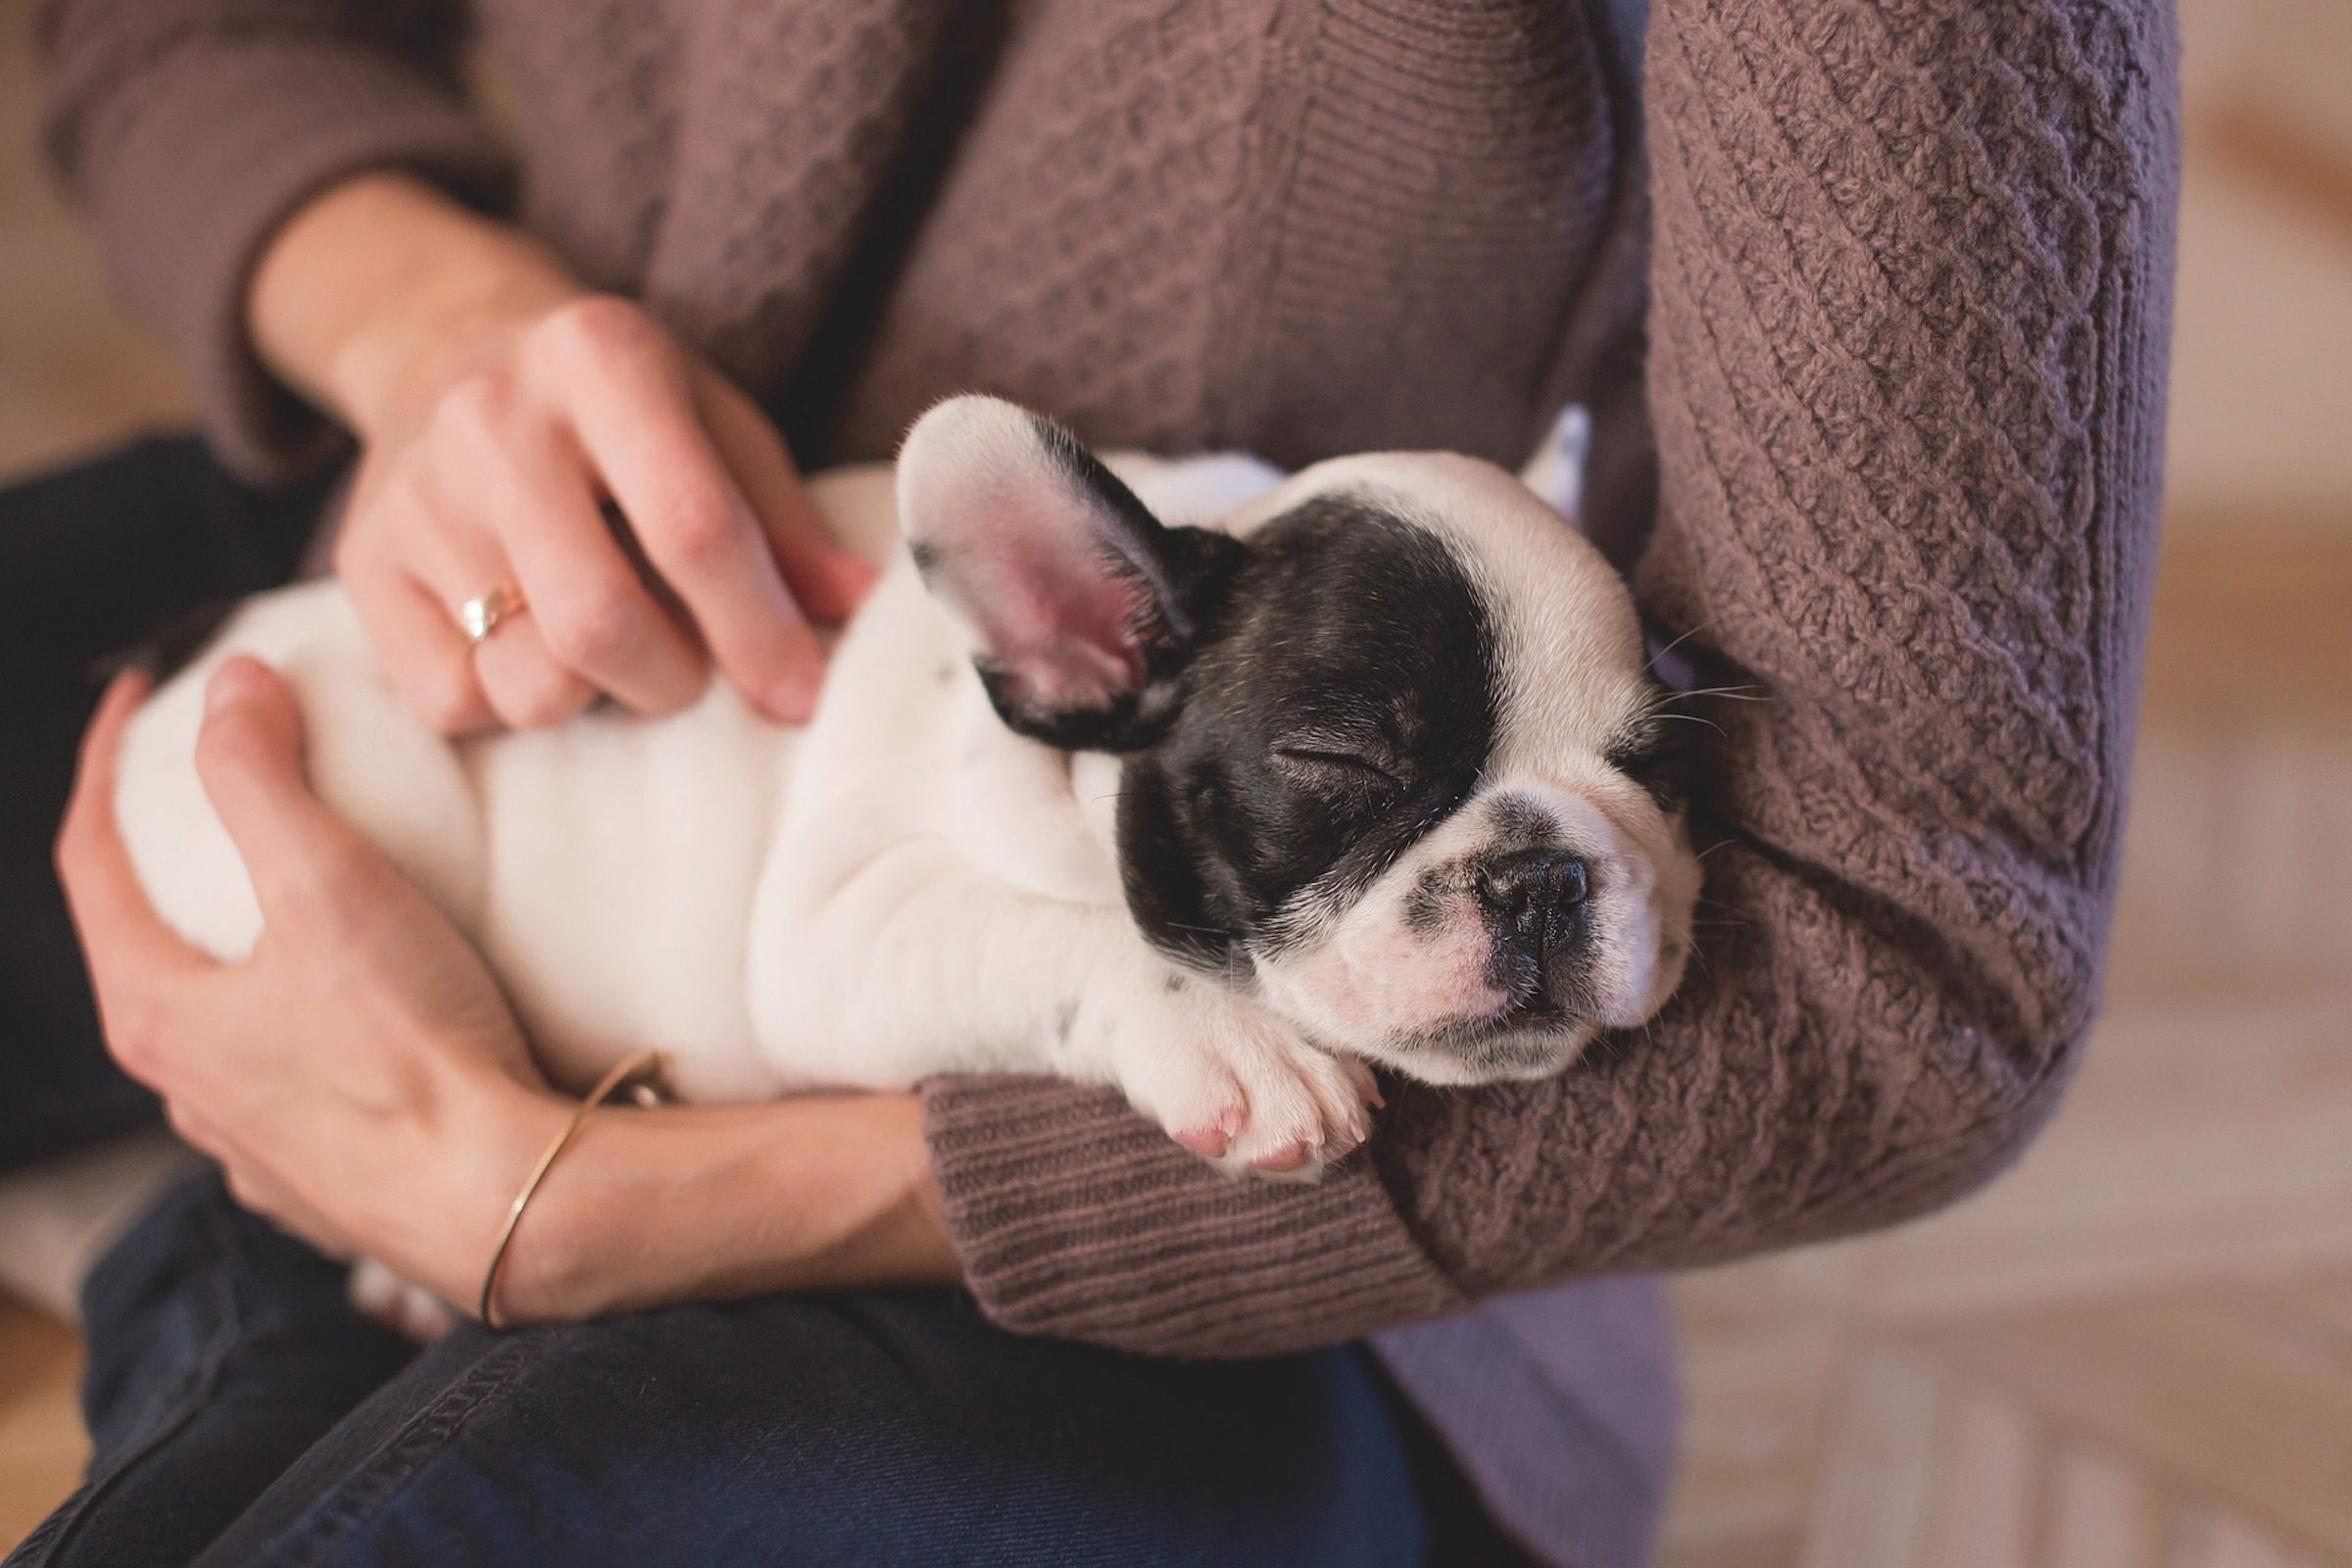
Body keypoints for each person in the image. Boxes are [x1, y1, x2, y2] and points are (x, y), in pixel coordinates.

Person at [4, 0, 2180, 1563]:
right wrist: (432, 329)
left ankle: (223, 1260)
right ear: (1069, 646)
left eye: (1631, 777)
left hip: (1235, 1265)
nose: (1531, 874)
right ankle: (240, 1244)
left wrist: (587, 1212)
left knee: (449, 1512)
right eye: (1363, 787)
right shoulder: (1116, 629)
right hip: (483, 592)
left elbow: (1916, 951)